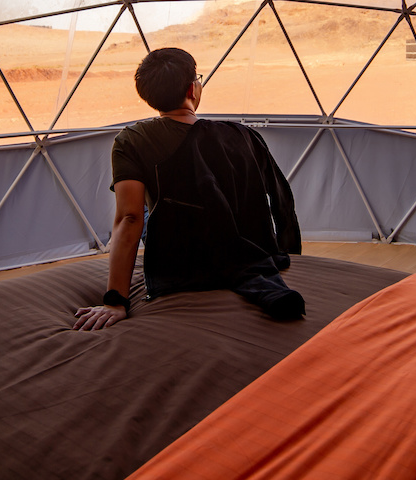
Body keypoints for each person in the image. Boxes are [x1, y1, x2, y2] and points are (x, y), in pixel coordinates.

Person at [73, 47, 304, 330]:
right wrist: (284, 253)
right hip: (247, 246)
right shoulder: (242, 135)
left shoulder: (132, 140)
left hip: (178, 257)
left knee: (147, 211)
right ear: (192, 90)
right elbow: (281, 199)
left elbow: (129, 217)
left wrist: (115, 301)